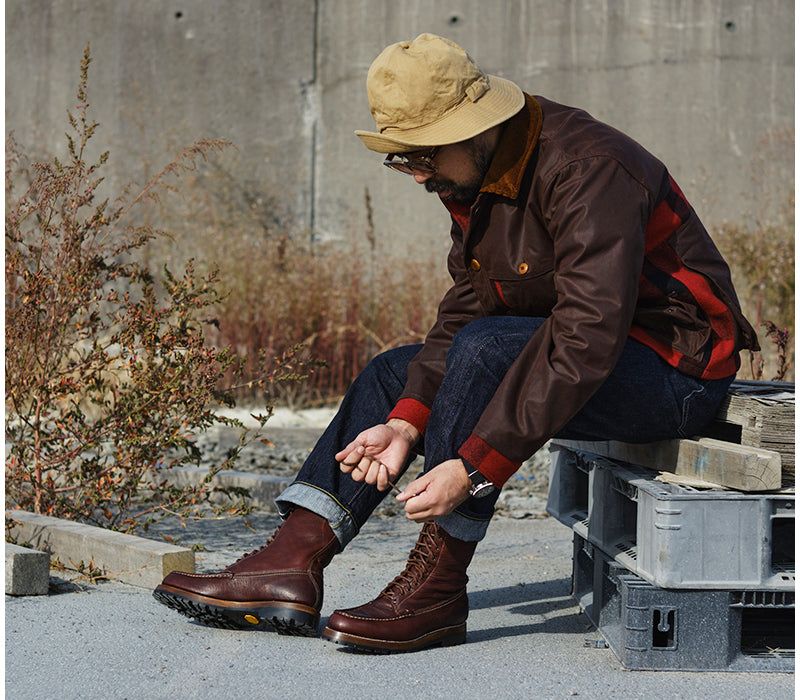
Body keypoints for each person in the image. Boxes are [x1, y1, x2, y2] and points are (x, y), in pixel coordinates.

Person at [153, 33, 758, 653]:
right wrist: (408, 422)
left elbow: (586, 338)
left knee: (486, 350)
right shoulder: (470, 172)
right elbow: (469, 304)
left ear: (474, 129)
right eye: (401, 159)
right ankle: (288, 563)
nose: (415, 173)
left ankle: (438, 586)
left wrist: (472, 471)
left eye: (421, 156)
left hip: (673, 374)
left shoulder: (587, 169)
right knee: (397, 373)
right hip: (584, 357)